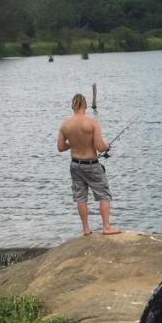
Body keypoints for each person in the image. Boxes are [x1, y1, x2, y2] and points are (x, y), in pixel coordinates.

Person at [58, 93, 121, 235]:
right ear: (85, 105)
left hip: (75, 165)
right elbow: (100, 147)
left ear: (73, 106)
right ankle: (106, 227)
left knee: (80, 197)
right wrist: (107, 146)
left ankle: (86, 229)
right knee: (104, 195)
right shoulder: (92, 123)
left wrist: (72, 143)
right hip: (91, 164)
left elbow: (61, 147)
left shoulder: (65, 125)